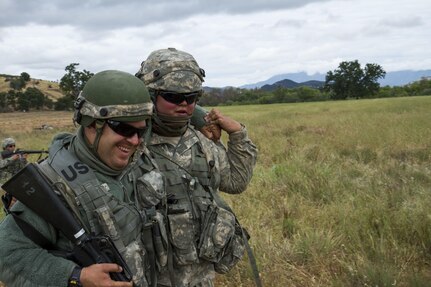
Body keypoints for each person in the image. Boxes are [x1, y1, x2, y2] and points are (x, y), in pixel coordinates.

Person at [0, 70, 164, 287]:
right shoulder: (53, 184)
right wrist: (76, 276)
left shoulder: (135, 164)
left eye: (141, 132)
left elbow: (179, 106)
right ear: (90, 124)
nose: (134, 141)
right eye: (124, 128)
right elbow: (7, 254)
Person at [136, 48, 258, 287]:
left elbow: (235, 182)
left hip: (200, 278)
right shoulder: (130, 144)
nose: (184, 104)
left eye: (192, 98)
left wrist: (238, 135)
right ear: (150, 95)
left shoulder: (201, 141)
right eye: (173, 96)